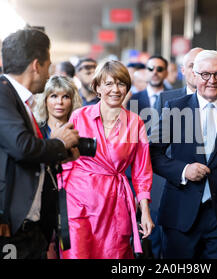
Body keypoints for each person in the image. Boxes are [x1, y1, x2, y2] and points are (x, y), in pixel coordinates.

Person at [0, 28, 80, 259]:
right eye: (48, 65)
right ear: (36, 65)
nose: (49, 71)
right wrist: (59, 144)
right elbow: (22, 147)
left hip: (28, 228)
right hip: (1, 225)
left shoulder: (20, 100)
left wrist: (60, 155)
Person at [150, 50, 217, 259]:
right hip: (180, 214)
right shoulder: (175, 108)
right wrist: (183, 170)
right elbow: (153, 154)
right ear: (194, 75)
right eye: (205, 74)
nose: (211, 80)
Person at [58, 60, 154, 259]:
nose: (115, 89)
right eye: (109, 84)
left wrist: (145, 211)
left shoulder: (135, 123)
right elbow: (64, 163)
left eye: (121, 84)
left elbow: (142, 172)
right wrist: (59, 206)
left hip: (114, 205)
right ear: (98, 87)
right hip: (78, 204)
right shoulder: (79, 116)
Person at [128, 55, 168, 120]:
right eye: (150, 68)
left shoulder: (175, 98)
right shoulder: (132, 99)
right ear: (146, 71)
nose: (155, 72)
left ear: (166, 73)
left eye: (159, 69)